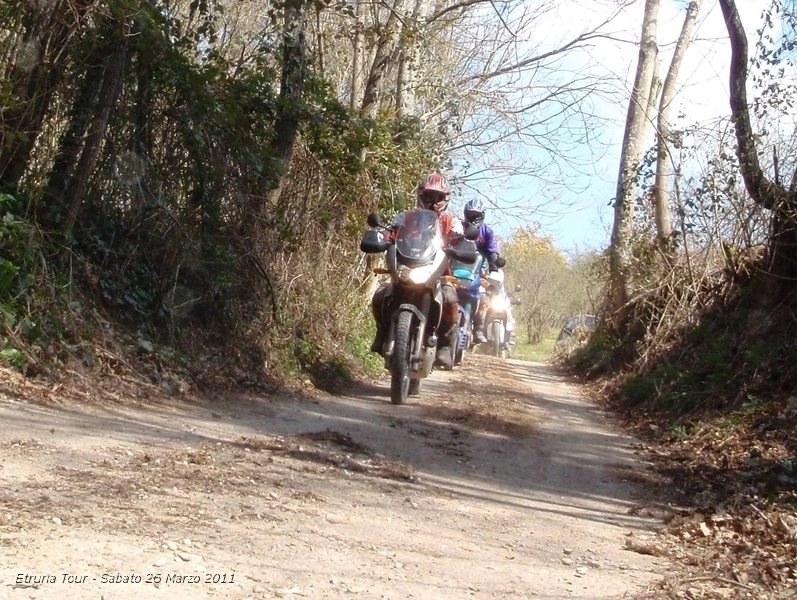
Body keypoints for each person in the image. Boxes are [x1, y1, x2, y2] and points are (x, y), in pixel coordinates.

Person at [370, 173, 463, 369]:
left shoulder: (450, 222)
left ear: (446, 199)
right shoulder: (405, 217)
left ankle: (445, 345)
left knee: (450, 299)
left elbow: (462, 240)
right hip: (405, 267)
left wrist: (463, 246)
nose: (433, 201)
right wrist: (381, 238)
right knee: (380, 295)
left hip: (438, 273)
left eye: (439, 197)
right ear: (421, 195)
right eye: (429, 196)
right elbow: (390, 232)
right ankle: (381, 331)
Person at [462, 198, 502, 343]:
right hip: (457, 268)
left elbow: (492, 252)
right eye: (471, 215)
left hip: (478, 271)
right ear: (466, 214)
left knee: (483, 296)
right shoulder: (458, 228)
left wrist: (494, 268)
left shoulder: (487, 232)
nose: (473, 218)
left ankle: (478, 328)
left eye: (476, 216)